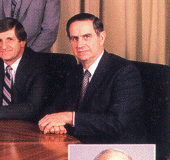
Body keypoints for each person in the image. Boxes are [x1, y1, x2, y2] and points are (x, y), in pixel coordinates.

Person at [38, 13, 144, 141]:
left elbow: (117, 123)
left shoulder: (124, 72)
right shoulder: (75, 72)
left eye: (86, 37)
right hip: (78, 144)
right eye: (74, 38)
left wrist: (69, 117)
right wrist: (53, 124)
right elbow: (54, 110)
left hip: (113, 150)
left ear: (101, 38)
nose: (80, 44)